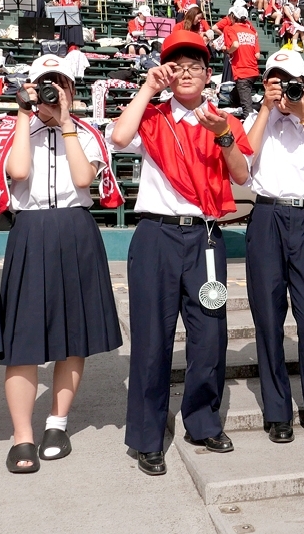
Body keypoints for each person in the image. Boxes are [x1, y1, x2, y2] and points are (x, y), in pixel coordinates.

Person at [107, 30, 251, 475]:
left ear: (209, 75)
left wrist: (223, 137)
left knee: (210, 335)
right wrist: (147, 88)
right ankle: (148, 436)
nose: (186, 73)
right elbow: (117, 136)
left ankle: (202, 421)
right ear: (168, 74)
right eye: (177, 66)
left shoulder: (223, 120)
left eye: (195, 66)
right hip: (157, 235)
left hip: (206, 238)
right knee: (152, 338)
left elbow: (243, 175)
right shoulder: (152, 117)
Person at [0, 55, 124, 473]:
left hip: (75, 229)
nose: (53, 91)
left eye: (60, 83)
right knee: (22, 339)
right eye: (45, 83)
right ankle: (22, 435)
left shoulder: (85, 132)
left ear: (71, 88)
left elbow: (85, 180)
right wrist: (25, 113)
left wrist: (65, 120)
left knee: (73, 333)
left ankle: (57, 422)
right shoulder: (13, 128)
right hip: (30, 230)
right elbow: (19, 171)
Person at [243, 50, 304, 444]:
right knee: (268, 319)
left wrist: (303, 114)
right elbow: (244, 160)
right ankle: (278, 411)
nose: (284, 89)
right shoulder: (256, 119)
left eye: (290, 82)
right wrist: (266, 110)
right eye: (276, 80)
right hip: (266, 215)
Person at [222, 6, 260, 115]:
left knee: (247, 109)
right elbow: (257, 55)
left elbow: (235, 44)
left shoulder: (231, 29)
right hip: (253, 71)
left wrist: (228, 51)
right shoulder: (252, 32)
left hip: (242, 72)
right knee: (234, 95)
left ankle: (249, 127)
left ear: (233, 16)